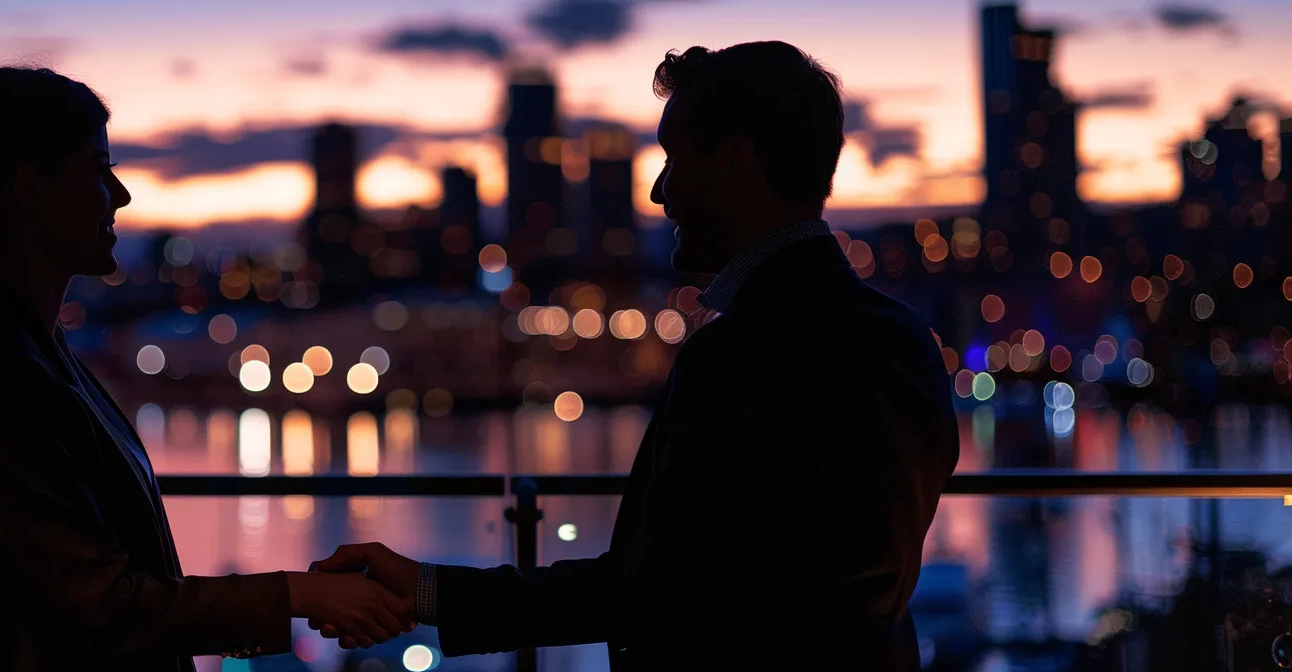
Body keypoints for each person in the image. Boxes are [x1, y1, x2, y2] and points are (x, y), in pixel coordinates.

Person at [312, 42, 960, 670]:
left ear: (736, 164)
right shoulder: (904, 340)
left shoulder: (734, 360)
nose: (658, 192)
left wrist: (431, 594)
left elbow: (652, 593)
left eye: (675, 160)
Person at [0, 66, 411, 672]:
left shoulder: (28, 353)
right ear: (31, 191)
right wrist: (300, 594)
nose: (121, 194)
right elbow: (107, 607)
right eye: (98, 168)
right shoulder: (3, 375)